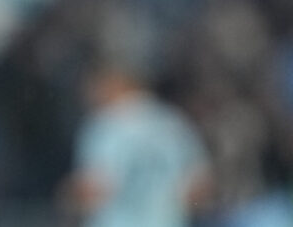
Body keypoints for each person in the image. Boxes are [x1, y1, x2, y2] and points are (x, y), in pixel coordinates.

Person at [60, 61, 213, 227]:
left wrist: (68, 196)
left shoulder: (104, 125)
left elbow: (92, 189)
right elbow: (200, 187)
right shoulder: (175, 123)